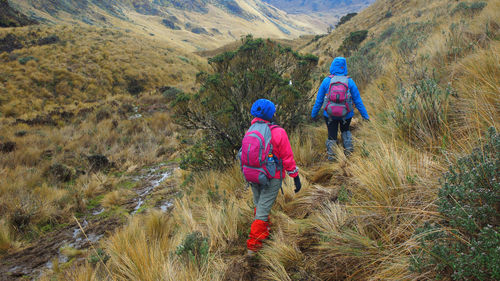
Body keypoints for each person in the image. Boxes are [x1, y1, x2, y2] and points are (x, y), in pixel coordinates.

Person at [243, 99, 301, 255]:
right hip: (271, 176)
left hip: (253, 174)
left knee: (259, 204)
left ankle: (263, 233)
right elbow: (287, 157)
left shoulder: (251, 130)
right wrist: (295, 176)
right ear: (270, 114)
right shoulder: (278, 132)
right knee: (262, 210)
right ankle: (253, 248)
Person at [311, 57, 370, 160]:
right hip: (346, 114)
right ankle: (349, 154)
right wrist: (365, 116)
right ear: (344, 67)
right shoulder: (349, 82)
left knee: (331, 134)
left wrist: (313, 114)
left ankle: (332, 158)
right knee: (345, 131)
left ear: (332, 66)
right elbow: (358, 101)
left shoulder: (326, 81)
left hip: (329, 115)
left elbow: (319, 100)